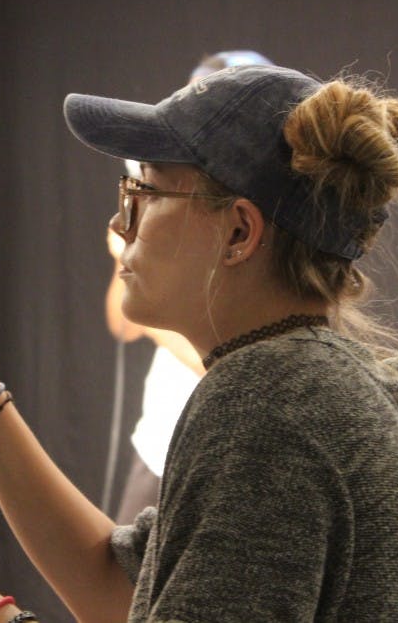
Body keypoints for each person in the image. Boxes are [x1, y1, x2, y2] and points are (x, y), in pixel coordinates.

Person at [0, 64, 398, 622]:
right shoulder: (347, 385)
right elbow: (121, 587)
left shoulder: (266, 406)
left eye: (144, 192)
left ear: (239, 232)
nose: (117, 222)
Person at [109, 50, 274, 523]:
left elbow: (224, 361)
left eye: (154, 194)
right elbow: (122, 323)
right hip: (156, 443)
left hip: (201, 450)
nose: (124, 219)